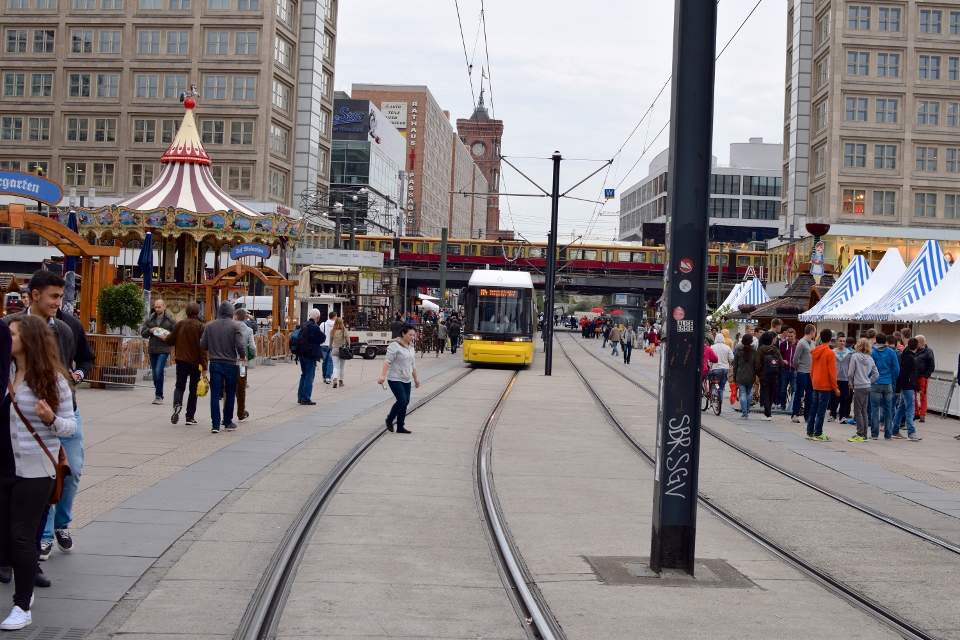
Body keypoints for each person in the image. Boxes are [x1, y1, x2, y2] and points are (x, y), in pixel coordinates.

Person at [9, 271, 93, 566]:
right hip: (22, 412)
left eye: (61, 296)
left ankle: (61, 524)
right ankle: (41, 537)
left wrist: (76, 376)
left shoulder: (68, 327)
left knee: (71, 470)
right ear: (35, 295)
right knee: (35, 476)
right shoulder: (11, 326)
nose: (59, 302)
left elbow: (86, 358)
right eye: (54, 296)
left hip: (64, 408)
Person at [0, 315, 75, 631]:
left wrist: (50, 419)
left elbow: (70, 427)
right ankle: (25, 586)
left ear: (29, 340)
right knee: (6, 537)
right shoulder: (5, 372)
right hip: (5, 467)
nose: (7, 338)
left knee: (21, 536)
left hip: (36, 470)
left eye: (13, 334)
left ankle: (22, 605)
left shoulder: (53, 380)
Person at [199, 302, 245, 434]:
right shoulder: (235, 326)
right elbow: (240, 344)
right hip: (230, 363)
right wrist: (242, 355)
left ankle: (215, 424)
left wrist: (212, 348)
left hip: (215, 362)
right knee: (230, 392)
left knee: (215, 394)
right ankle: (228, 421)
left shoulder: (210, 325)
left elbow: (203, 344)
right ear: (231, 312)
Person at [164, 302, 207, 426]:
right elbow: (203, 348)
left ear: (186, 312)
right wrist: (204, 367)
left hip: (181, 360)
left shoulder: (180, 324)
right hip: (195, 362)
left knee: (179, 386)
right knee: (193, 390)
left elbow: (169, 340)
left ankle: (177, 404)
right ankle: (190, 417)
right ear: (198, 312)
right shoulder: (201, 326)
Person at [377, 323, 420, 434]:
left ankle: (400, 426)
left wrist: (416, 378)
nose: (412, 337)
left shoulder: (411, 346)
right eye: (410, 335)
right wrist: (383, 375)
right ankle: (390, 419)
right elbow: (387, 361)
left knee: (406, 401)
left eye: (413, 335)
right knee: (402, 400)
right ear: (403, 333)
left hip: (406, 378)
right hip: (395, 377)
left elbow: (412, 364)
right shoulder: (395, 345)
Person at [140, 299, 176, 405]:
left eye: (159, 307)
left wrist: (167, 338)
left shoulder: (170, 320)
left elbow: (176, 333)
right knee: (155, 373)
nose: (157, 309)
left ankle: (159, 395)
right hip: (152, 349)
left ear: (164, 306)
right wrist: (150, 330)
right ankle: (158, 390)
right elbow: (143, 333)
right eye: (155, 307)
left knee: (159, 370)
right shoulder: (150, 319)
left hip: (164, 349)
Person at [807, 328, 839, 441]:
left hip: (816, 383)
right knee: (821, 410)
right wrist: (836, 388)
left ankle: (810, 431)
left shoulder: (816, 351)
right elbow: (832, 373)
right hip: (825, 385)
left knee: (813, 408)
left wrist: (813, 381)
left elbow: (812, 369)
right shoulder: (830, 353)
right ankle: (818, 432)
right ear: (831, 339)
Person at [846, 338, 879, 442]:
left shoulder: (855, 356)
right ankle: (864, 434)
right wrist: (869, 381)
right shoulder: (870, 359)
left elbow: (850, 373)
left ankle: (860, 433)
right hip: (867, 386)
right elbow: (876, 374)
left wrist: (852, 382)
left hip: (859, 386)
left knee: (857, 411)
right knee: (864, 410)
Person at [869, 332, 900, 440]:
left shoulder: (872, 352)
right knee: (888, 409)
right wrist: (894, 381)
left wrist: (870, 379)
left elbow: (869, 368)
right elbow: (896, 369)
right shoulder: (891, 352)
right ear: (886, 341)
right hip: (888, 382)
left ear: (876, 340)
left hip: (875, 383)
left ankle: (874, 434)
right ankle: (888, 434)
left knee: (875, 409)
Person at [892, 338, 922, 441]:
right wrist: (916, 386)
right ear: (917, 346)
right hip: (908, 386)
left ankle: (895, 430)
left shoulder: (906, 355)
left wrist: (899, 387)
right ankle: (911, 432)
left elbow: (903, 373)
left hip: (906, 385)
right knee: (910, 409)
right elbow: (906, 373)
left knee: (901, 409)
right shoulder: (910, 358)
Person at [296, 309, 324, 405]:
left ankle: (300, 396)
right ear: (318, 317)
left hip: (301, 353)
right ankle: (306, 398)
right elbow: (322, 338)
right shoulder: (314, 327)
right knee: (309, 375)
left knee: (303, 374)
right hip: (310, 354)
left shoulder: (304, 324)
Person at [754, 331, 784, 421]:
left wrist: (759, 373)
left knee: (765, 394)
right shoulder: (776, 350)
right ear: (771, 340)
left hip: (764, 375)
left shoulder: (760, 351)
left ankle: (767, 414)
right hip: (774, 375)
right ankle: (768, 412)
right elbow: (781, 363)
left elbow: (757, 365)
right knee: (771, 394)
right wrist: (777, 371)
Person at [233, 308, 256, 421]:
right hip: (242, 363)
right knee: (241, 388)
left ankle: (226, 414)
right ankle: (241, 412)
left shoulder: (229, 328)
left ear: (235, 317)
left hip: (231, 361)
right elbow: (252, 346)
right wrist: (253, 355)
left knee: (228, 388)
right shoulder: (248, 330)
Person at [790, 325, 816, 424]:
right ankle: (795, 414)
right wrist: (798, 368)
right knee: (799, 393)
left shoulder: (813, 343)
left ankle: (807, 415)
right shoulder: (801, 343)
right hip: (802, 371)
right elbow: (795, 358)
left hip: (811, 372)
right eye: (814, 332)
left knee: (810, 395)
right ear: (812, 332)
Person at [828, 335, 854, 423]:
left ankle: (842, 416)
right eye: (840, 341)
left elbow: (851, 368)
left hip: (845, 378)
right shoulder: (833, 352)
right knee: (833, 397)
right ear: (837, 341)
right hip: (835, 378)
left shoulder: (849, 353)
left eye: (843, 341)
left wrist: (850, 381)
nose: (842, 343)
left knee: (844, 398)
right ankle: (833, 414)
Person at [733, 335, 756, 419]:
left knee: (742, 394)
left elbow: (735, 365)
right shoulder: (754, 352)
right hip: (751, 375)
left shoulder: (738, 351)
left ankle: (744, 412)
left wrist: (734, 377)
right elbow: (756, 364)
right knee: (748, 393)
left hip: (740, 375)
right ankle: (747, 410)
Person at [914, 335, 935, 423]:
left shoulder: (928, 351)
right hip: (915, 376)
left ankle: (922, 414)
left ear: (920, 343)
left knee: (923, 395)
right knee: (913, 395)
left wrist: (926, 375)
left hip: (923, 376)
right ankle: (916, 413)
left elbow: (931, 365)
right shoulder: (915, 351)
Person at [710, 333, 734, 402]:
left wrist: (710, 366)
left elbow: (710, 359)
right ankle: (720, 402)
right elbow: (732, 358)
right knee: (722, 387)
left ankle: (714, 395)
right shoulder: (727, 347)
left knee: (715, 384)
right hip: (725, 369)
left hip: (715, 368)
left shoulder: (712, 347)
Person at [778, 328, 797, 410]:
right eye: (788, 336)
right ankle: (783, 405)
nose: (790, 338)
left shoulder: (798, 344)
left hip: (794, 370)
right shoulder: (783, 344)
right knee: (783, 389)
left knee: (794, 389)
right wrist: (782, 360)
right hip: (785, 370)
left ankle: (793, 405)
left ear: (795, 335)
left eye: (791, 336)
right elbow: (779, 355)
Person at [328, 316, 349, 388]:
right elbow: (348, 341)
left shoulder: (332, 331)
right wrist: (348, 346)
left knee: (335, 366)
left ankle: (334, 379)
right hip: (343, 350)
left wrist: (330, 347)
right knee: (342, 367)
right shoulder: (344, 331)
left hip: (335, 349)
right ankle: (341, 381)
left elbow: (330, 342)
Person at [319, 312, 337, 384]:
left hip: (324, 344)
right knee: (330, 361)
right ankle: (328, 377)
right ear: (334, 317)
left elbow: (320, 334)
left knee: (324, 361)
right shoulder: (336, 325)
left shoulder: (322, 324)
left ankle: (324, 376)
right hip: (332, 345)